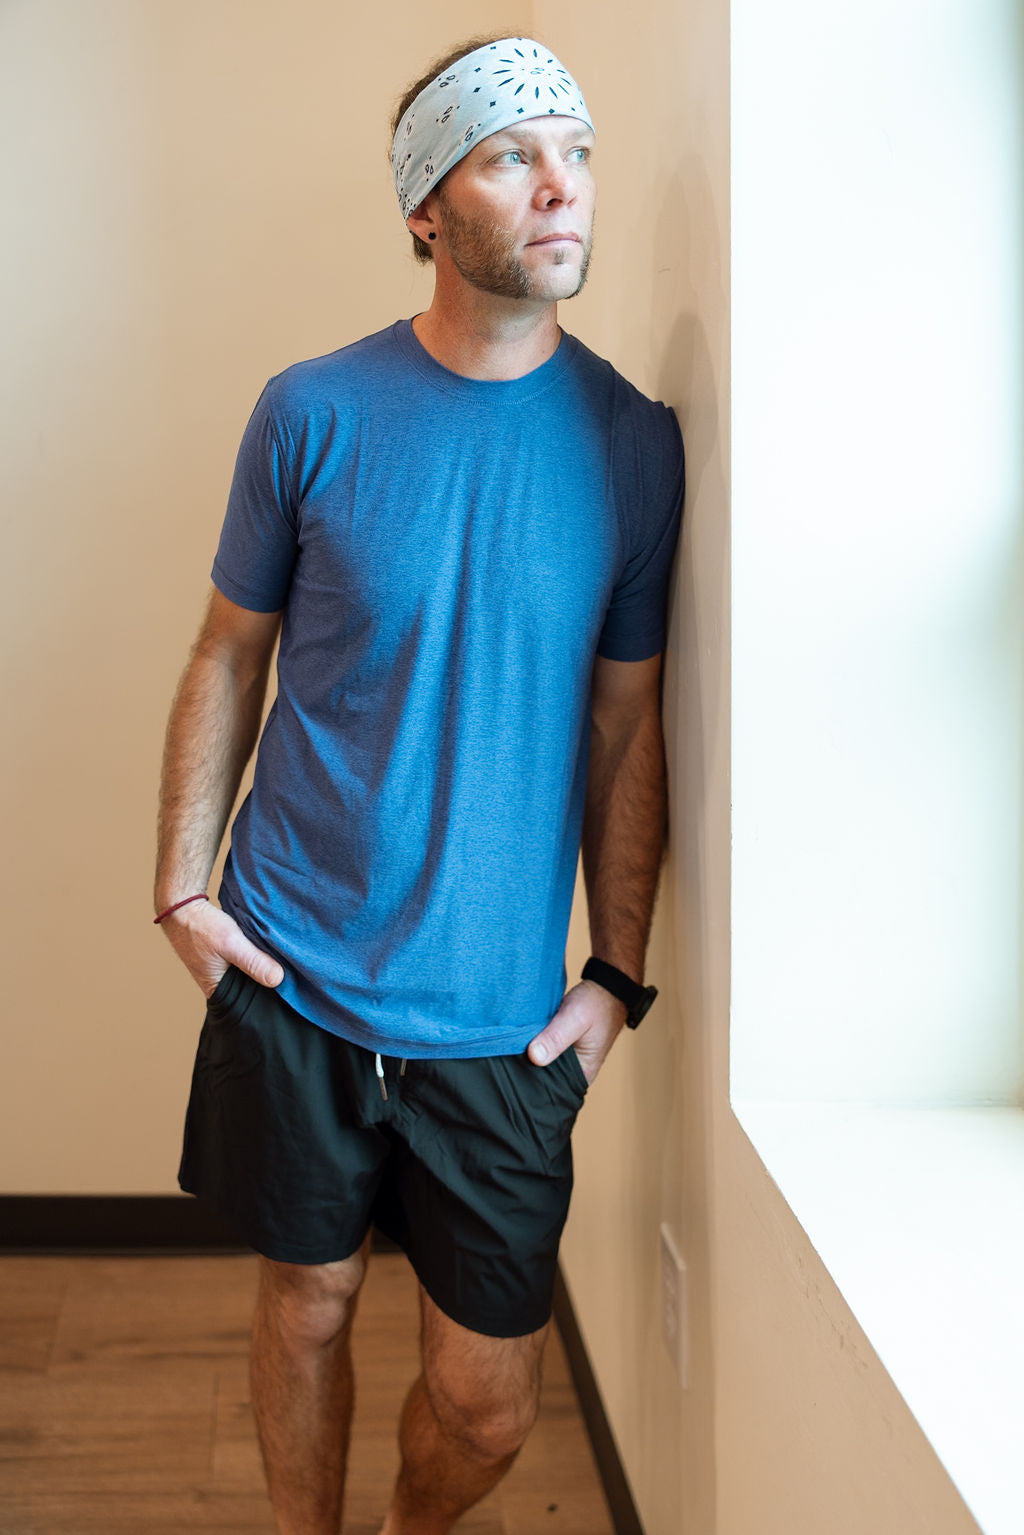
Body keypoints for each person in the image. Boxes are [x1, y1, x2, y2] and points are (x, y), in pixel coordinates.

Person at [154, 32, 684, 1535]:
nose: (562, 188)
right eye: (516, 157)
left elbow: (625, 727)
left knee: (487, 1404)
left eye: (575, 154)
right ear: (425, 211)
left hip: (503, 1026)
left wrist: (617, 977)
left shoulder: (633, 448)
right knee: (307, 1305)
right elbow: (224, 656)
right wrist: (183, 888)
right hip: (299, 972)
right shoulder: (310, 412)